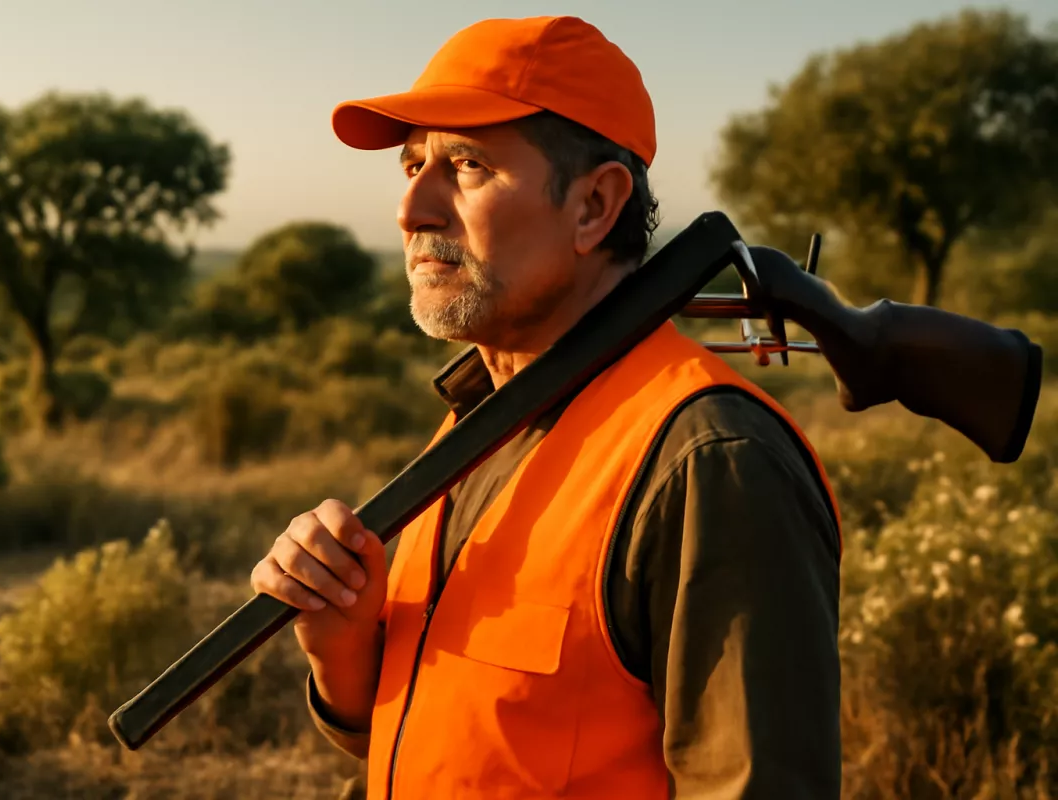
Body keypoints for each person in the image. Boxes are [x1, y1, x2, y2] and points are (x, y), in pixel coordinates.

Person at [250, 15, 843, 799]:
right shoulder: (477, 419)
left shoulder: (707, 462)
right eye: (411, 164)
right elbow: (456, 742)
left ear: (594, 206)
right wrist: (342, 649)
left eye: (464, 164)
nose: (411, 209)